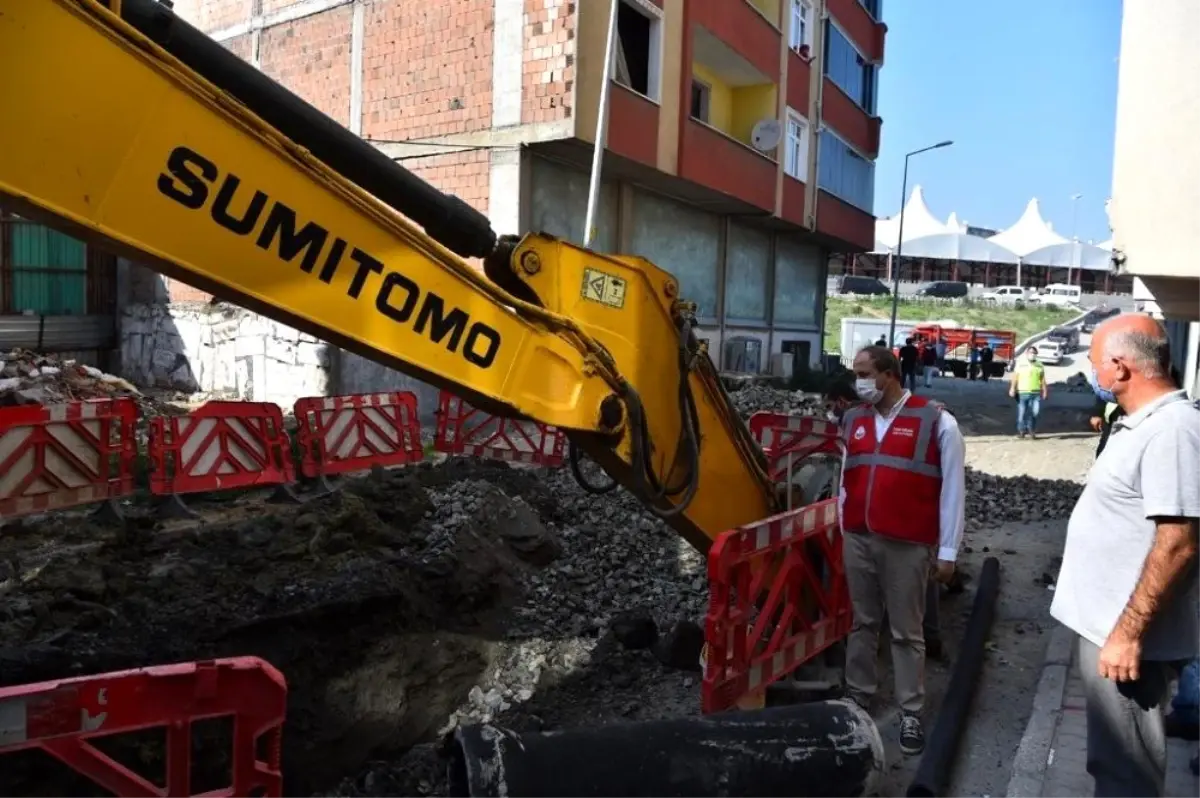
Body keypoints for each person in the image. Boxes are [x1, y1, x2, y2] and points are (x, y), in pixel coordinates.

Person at [1049, 314, 1200, 798]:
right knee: (1111, 762)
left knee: (1126, 771)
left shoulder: (1173, 430)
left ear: (1119, 366)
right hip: (1109, 630)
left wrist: (1128, 634)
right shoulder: (1140, 424)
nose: (1093, 373)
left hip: (1126, 641)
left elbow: (1179, 541)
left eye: (1094, 363)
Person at [839, 345, 966, 756]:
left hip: (908, 545)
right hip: (859, 537)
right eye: (855, 372)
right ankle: (858, 696)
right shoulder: (853, 420)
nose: (857, 380)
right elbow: (846, 480)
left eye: (863, 372)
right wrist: (844, 527)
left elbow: (952, 491)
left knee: (906, 632)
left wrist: (948, 551)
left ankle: (910, 710)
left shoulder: (937, 421)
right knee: (862, 623)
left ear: (889, 374)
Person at [1009, 347, 1048, 439]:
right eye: (1030, 352)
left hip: (1035, 394)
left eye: (1034, 353)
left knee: (1035, 413)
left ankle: (1031, 430)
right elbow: (1015, 377)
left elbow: (1042, 379)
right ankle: (1021, 431)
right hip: (1022, 393)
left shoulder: (1039, 365)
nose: (1032, 354)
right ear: (1026, 353)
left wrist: (1045, 391)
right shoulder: (1020, 364)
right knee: (1022, 414)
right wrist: (1012, 388)